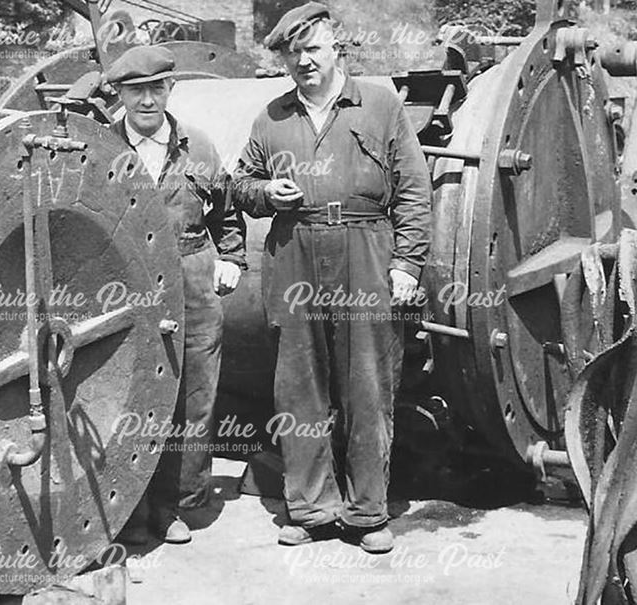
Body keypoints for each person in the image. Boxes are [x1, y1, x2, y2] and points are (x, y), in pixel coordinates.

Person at [232, 2, 431, 554]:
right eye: (292, 54)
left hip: (366, 249)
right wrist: (264, 193)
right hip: (294, 250)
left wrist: (407, 264)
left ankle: (368, 513)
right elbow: (238, 186)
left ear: (335, 45)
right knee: (300, 386)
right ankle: (313, 511)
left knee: (368, 383)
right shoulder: (270, 117)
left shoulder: (381, 105)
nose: (303, 62)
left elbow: (414, 190)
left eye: (312, 49)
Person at [106, 45, 247, 544]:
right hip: (123, 281)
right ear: (119, 94)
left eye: (156, 88)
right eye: (135, 90)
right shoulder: (101, 148)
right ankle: (126, 507)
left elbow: (226, 211)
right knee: (126, 391)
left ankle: (176, 505)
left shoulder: (199, 147)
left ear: (169, 89)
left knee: (193, 395)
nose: (147, 100)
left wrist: (231, 257)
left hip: (190, 273)